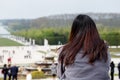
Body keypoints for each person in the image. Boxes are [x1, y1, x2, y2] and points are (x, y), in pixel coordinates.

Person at [57, 14, 111, 80]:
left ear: (74, 31)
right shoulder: (103, 48)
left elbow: (60, 74)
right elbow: (105, 69)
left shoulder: (64, 50)